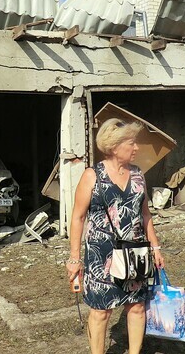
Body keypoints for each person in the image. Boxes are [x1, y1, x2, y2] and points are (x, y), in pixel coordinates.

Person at [66, 118, 165, 354]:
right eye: (131, 143)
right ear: (114, 146)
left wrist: (156, 247)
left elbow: (145, 214)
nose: (136, 148)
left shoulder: (139, 175)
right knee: (101, 312)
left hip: (135, 252)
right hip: (101, 256)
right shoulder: (93, 176)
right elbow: (78, 218)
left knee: (137, 307)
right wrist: (74, 258)